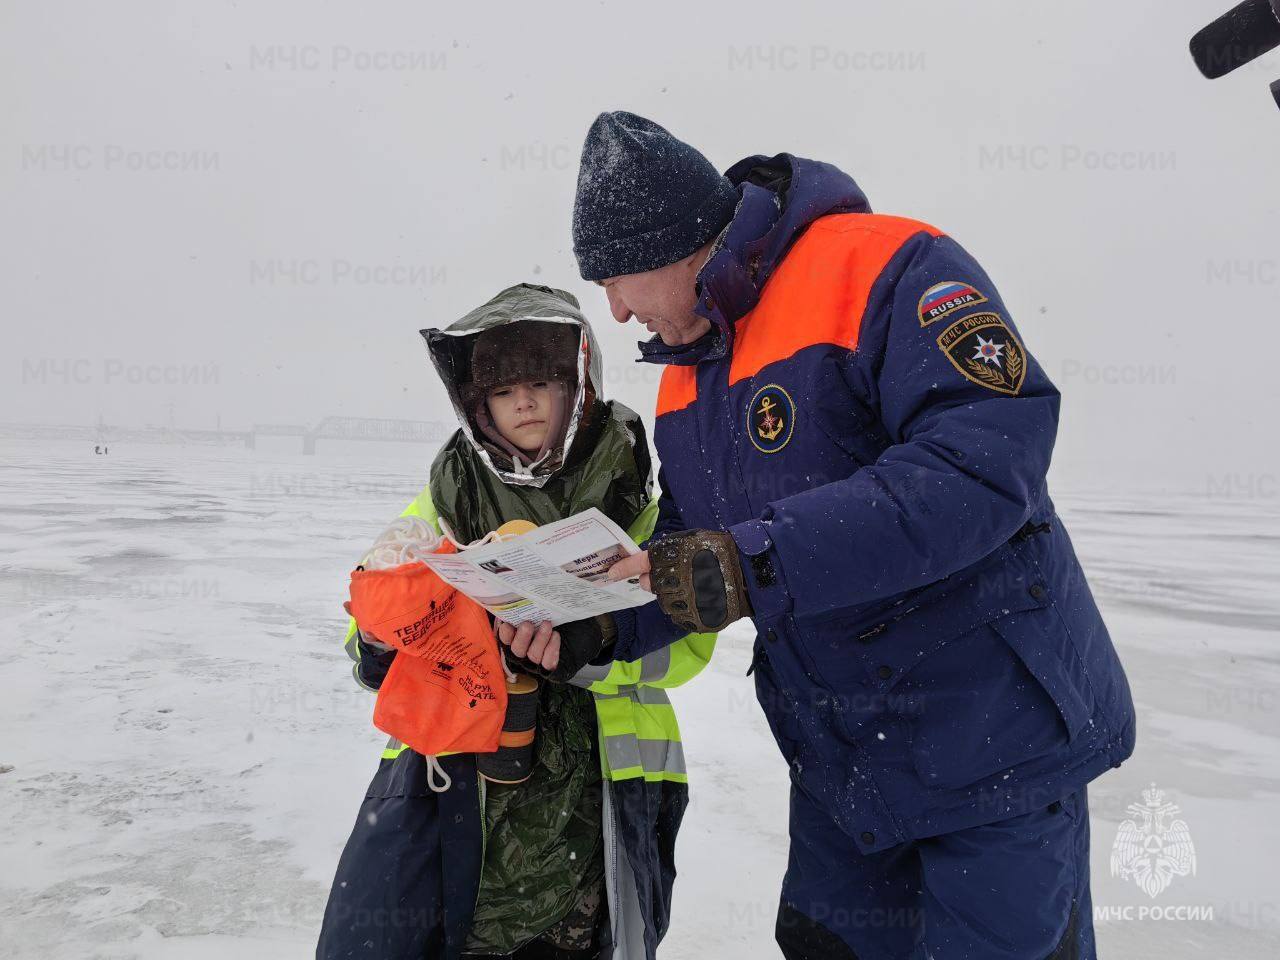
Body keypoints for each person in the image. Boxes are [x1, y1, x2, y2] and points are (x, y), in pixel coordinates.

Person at [535, 111, 1135, 960]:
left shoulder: (888, 267)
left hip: (989, 741)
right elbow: (688, 550)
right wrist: (588, 623)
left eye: (619, 279)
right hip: (847, 771)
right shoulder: (687, 379)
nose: (618, 309)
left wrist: (754, 560)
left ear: (675, 243)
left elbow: (981, 466)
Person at [316, 283, 715, 960]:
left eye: (540, 382)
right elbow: (368, 611)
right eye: (504, 391)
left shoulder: (641, 502)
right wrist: (384, 643)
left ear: (578, 386)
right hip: (458, 795)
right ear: (480, 405)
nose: (523, 401)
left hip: (600, 799)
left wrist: (588, 648)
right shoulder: (445, 499)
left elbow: (690, 641)